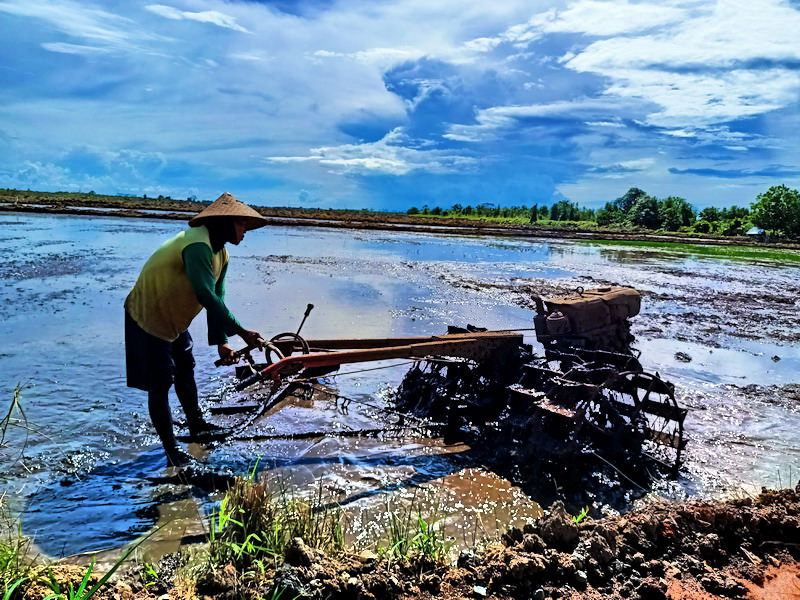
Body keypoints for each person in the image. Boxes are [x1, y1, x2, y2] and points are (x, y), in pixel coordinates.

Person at [124, 192, 268, 467]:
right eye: (241, 224)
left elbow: (217, 297)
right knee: (160, 383)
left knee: (185, 369)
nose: (245, 231)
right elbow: (205, 295)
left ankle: (196, 426)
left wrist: (222, 341)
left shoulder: (221, 252)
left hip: (175, 319)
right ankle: (172, 453)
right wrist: (242, 332)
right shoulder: (197, 245)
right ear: (224, 223)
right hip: (148, 316)